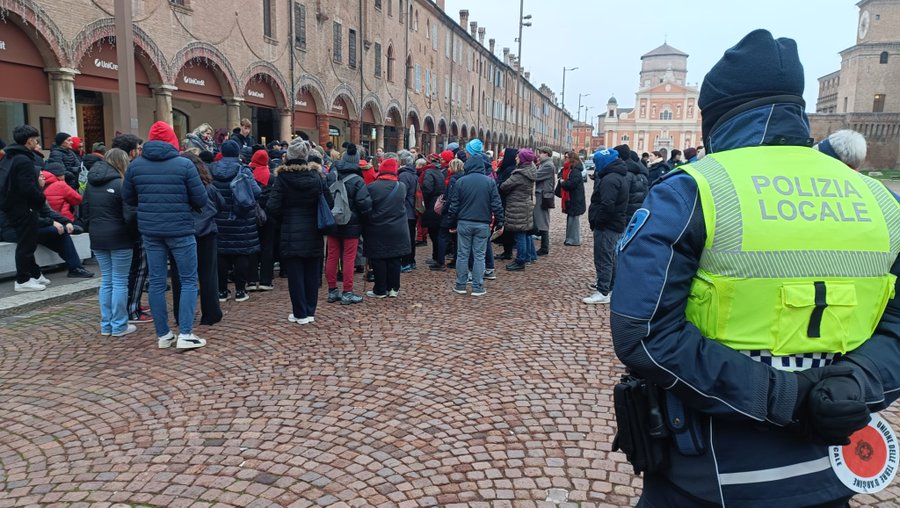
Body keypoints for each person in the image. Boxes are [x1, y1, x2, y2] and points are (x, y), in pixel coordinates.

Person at [612, 29, 900, 507]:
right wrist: (854, 384)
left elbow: (644, 333)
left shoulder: (693, 190)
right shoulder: (881, 203)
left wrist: (783, 398)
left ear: (715, 115)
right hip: (829, 466)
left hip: (706, 470)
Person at [122, 121, 208, 350]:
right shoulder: (184, 165)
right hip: (180, 228)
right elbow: (201, 199)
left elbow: (128, 198)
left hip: (151, 230)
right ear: (172, 140)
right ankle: (186, 333)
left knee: (157, 282)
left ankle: (163, 334)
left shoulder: (135, 166)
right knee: (189, 280)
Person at [266, 139, 330, 324]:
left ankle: (300, 312)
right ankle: (310, 311)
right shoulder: (317, 177)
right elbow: (329, 203)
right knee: (311, 272)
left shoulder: (283, 178)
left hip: (290, 232)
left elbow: (272, 206)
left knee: (295, 275)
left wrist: (283, 220)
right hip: (313, 231)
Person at [82, 148, 136, 337]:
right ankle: (119, 324)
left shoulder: (90, 184)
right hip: (120, 237)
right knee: (120, 281)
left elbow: (84, 212)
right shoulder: (121, 184)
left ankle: (107, 324)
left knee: (107, 280)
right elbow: (129, 216)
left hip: (97, 236)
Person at [171, 152, 224, 327]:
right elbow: (220, 204)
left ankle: (182, 315)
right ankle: (211, 313)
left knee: (180, 277)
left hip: (181, 233)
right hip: (206, 233)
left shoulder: (177, 188)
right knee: (208, 275)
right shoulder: (208, 187)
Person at [446, 139, 504, 296]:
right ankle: (477, 287)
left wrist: (451, 223)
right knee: (479, 255)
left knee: (462, 255)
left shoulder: (461, 181)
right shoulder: (489, 182)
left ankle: (460, 285)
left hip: (464, 222)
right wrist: (500, 222)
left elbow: (454, 206)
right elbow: (496, 204)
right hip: (482, 223)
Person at [0, 125, 50, 291]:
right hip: (24, 207)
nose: (37, 142)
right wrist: (41, 197)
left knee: (27, 242)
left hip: (13, 206)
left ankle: (35, 274)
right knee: (27, 244)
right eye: (36, 139)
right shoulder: (23, 159)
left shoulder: (10, 156)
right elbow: (28, 187)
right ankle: (23, 280)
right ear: (29, 140)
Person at [211, 140, 261, 303]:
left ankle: (221, 291)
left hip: (219, 218)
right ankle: (240, 290)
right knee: (241, 253)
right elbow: (256, 191)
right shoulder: (243, 170)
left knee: (221, 254)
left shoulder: (212, 169)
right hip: (241, 218)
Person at [111, 134, 152, 324]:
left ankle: (131, 304)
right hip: (131, 231)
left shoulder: (107, 173)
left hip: (114, 229)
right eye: (137, 149)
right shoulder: (124, 176)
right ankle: (132, 309)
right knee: (137, 270)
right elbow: (130, 208)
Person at [324, 143, 372, 305]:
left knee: (332, 256)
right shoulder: (358, 180)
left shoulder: (332, 175)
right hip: (352, 223)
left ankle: (332, 290)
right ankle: (347, 292)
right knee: (349, 257)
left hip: (333, 220)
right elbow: (364, 204)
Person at [582, 148, 628, 304]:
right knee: (610, 258)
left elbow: (607, 205)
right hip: (614, 223)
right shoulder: (617, 176)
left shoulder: (610, 179)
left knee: (604, 258)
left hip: (608, 225)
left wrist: (598, 222)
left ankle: (603, 291)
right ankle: (610, 288)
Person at [363, 156, 410, 298]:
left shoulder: (371, 187)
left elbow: (367, 207)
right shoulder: (401, 187)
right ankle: (394, 288)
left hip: (378, 227)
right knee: (395, 258)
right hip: (398, 228)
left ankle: (380, 289)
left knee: (379, 258)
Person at [500, 148, 538, 271]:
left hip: (517, 206)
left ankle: (520, 261)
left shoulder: (520, 174)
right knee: (524, 233)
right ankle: (527, 256)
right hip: (524, 204)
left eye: (518, 157)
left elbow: (504, 186)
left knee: (520, 234)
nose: (516, 158)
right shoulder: (530, 170)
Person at [247, 147, 277, 292]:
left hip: (251, 214)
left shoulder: (249, 174)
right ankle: (266, 280)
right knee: (267, 247)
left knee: (252, 247)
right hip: (269, 215)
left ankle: (252, 279)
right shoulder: (271, 177)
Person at [421, 152, 446, 268]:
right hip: (438, 202)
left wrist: (424, 202)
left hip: (432, 204)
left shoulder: (429, 172)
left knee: (434, 233)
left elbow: (427, 188)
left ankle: (438, 258)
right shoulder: (438, 172)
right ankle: (436, 256)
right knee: (435, 233)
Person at [397, 150, 419, 272]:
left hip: (406, 209)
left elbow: (402, 193)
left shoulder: (404, 175)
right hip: (412, 209)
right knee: (410, 236)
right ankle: (411, 260)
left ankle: (406, 262)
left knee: (406, 238)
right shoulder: (413, 173)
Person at [495, 148, 518, 259]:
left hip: (506, 201)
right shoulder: (505, 168)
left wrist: (498, 185)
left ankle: (508, 252)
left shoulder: (510, 170)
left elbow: (505, 186)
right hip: (503, 201)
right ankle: (506, 251)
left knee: (507, 229)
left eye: (502, 157)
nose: (500, 159)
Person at [559, 151, 586, 247]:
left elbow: (572, 184)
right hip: (572, 199)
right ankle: (570, 238)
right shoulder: (570, 169)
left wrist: (563, 182)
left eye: (566, 157)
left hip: (575, 199)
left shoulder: (575, 171)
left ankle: (574, 240)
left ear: (571, 159)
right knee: (571, 220)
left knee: (573, 220)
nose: (564, 159)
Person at [534, 147, 556, 256]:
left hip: (543, 195)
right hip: (542, 194)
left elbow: (536, 176)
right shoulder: (545, 164)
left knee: (543, 221)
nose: (539, 155)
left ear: (546, 154)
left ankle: (544, 247)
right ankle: (543, 247)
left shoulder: (548, 165)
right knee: (541, 220)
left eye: (540, 153)